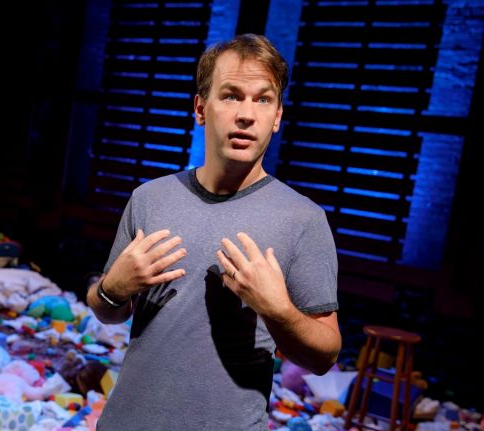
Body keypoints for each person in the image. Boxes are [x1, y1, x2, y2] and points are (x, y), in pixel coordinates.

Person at [87, 34, 341, 430]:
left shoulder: (302, 220)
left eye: (263, 99)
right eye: (231, 95)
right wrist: (111, 289)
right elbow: (106, 312)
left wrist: (279, 311)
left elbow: (325, 356)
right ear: (201, 108)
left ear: (277, 116)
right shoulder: (149, 199)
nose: (247, 114)